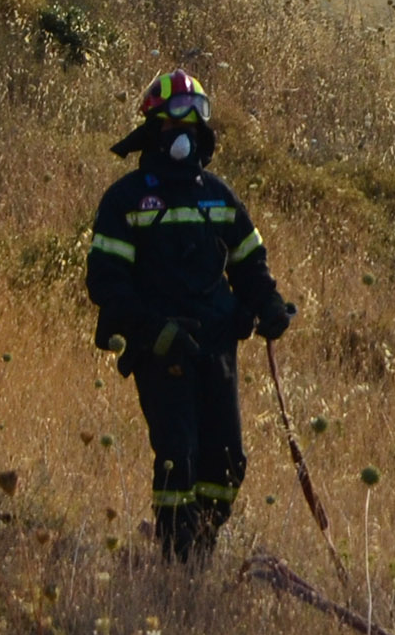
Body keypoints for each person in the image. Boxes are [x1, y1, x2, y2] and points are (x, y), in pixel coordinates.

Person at [83, 69, 294, 563]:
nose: (185, 134)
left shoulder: (218, 196)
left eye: (194, 124)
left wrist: (268, 305)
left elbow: (250, 264)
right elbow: (106, 284)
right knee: (179, 456)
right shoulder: (126, 200)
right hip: (162, 351)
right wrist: (154, 332)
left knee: (227, 463)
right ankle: (177, 561)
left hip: (217, 348)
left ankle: (200, 545)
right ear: (153, 129)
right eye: (174, 124)